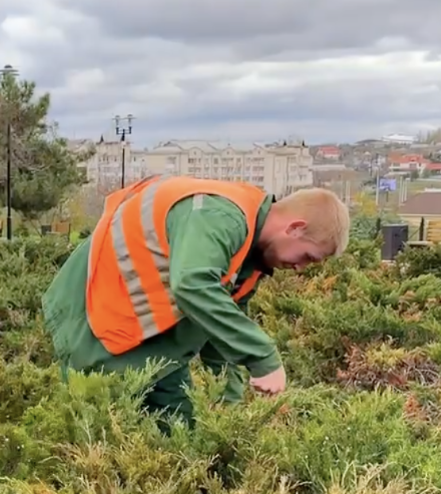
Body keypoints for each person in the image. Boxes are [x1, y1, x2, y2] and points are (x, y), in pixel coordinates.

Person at [42, 175, 350, 429]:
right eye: (308, 257)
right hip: (94, 321)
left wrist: (228, 410)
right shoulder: (221, 217)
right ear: (295, 228)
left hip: (154, 343)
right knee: (99, 432)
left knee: (180, 434)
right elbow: (192, 284)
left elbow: (221, 331)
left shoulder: (252, 254)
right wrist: (263, 357)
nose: (300, 268)